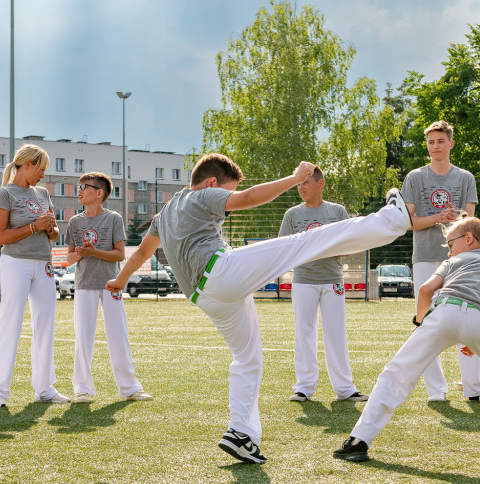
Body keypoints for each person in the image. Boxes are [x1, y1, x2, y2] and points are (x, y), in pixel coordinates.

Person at [106, 153, 413, 465]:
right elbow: (249, 198)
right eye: (227, 189)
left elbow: (144, 250)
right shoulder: (201, 196)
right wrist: (296, 178)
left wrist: (120, 279)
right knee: (303, 243)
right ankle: (391, 220)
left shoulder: (164, 213)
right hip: (221, 273)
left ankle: (241, 433)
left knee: (247, 359)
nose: (226, 197)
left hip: (205, 297)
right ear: (212, 183)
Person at [333, 217, 480, 461]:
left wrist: (420, 323)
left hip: (445, 312)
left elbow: (425, 291)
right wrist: (478, 340)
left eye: (450, 245)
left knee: (397, 374)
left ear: (468, 239)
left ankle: (358, 441)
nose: (449, 251)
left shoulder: (454, 261)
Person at [401, 120, 480, 402]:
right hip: (424, 256)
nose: (435, 147)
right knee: (427, 322)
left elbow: (471, 221)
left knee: (467, 319)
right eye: (430, 142)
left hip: (460, 259)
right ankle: (436, 390)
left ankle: (474, 388)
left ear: (451, 143)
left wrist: (456, 220)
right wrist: (438, 217)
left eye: (440, 141)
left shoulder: (465, 178)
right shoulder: (414, 177)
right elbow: (409, 221)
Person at [277, 166, 366, 403]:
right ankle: (304, 388)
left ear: (320, 184)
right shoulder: (292, 215)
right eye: (299, 184)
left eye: (306, 183)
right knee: (304, 334)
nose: (301, 188)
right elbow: (283, 248)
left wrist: (328, 246)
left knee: (335, 334)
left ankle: (345, 389)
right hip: (303, 281)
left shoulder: (337, 211)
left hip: (332, 281)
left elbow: (348, 248)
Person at [0, 144, 66, 406]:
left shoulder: (42, 193)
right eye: (41, 169)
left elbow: (53, 234)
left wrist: (50, 228)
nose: (43, 175)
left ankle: (44, 388)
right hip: (15, 262)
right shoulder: (5, 193)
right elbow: (1, 237)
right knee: (11, 323)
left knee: (45, 325)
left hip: (43, 263)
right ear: (28, 164)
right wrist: (34, 226)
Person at [67, 172, 152, 403]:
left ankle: (130, 388)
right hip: (84, 285)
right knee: (83, 337)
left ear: (99, 192)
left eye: (84, 186)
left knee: (118, 336)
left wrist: (94, 251)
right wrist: (81, 253)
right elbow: (69, 258)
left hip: (111, 285)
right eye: (79, 186)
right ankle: (82, 389)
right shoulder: (75, 221)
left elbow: (120, 254)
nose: (79, 190)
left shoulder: (114, 218)